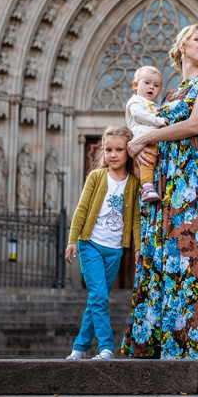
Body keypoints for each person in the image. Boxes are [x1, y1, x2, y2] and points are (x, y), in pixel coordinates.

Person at [122, 24, 198, 359]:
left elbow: (194, 125)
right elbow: (150, 131)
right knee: (163, 257)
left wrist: (144, 139)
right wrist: (137, 152)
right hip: (163, 179)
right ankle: (165, 342)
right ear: (182, 46)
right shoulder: (171, 93)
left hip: (187, 179)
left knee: (193, 254)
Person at [64, 126, 141, 361]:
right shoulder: (96, 176)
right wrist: (72, 240)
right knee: (99, 297)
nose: (113, 154)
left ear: (128, 151)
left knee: (96, 298)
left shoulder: (133, 182)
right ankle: (107, 348)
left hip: (114, 251)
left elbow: (136, 219)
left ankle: (79, 347)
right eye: (108, 149)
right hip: (91, 245)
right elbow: (81, 210)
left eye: (119, 149)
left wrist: (138, 248)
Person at [125, 65, 167, 203]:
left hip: (155, 139)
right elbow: (139, 115)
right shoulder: (135, 101)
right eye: (147, 83)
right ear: (135, 85)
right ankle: (147, 187)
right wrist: (159, 120)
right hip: (144, 138)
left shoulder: (154, 105)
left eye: (156, 85)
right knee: (147, 160)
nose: (151, 87)